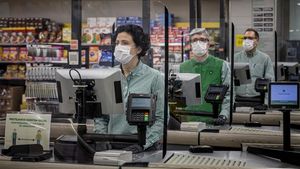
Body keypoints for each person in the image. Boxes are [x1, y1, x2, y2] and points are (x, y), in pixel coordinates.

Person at [94, 24, 165, 153]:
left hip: (143, 146)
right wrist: (101, 138)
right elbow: (101, 116)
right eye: (117, 43)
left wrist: (144, 143)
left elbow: (161, 118)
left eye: (125, 43)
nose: (119, 47)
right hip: (111, 144)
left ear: (138, 49)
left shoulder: (155, 78)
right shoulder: (108, 76)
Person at [179, 28, 231, 125]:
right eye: (195, 40)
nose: (198, 43)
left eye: (202, 39)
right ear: (190, 44)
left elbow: (228, 94)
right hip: (188, 121)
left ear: (208, 43)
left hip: (213, 121)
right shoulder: (182, 67)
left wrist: (224, 114)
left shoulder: (221, 65)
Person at [234, 28, 274, 100]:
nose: (246, 41)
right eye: (245, 38)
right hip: (238, 99)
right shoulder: (235, 58)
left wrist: (266, 103)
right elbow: (229, 81)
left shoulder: (265, 58)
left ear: (257, 40)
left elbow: (270, 81)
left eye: (250, 38)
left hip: (258, 99)